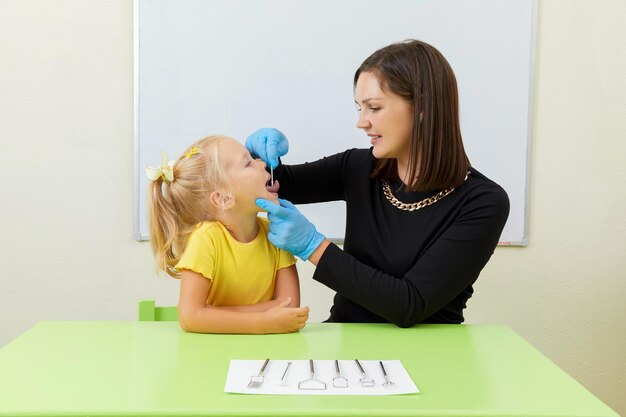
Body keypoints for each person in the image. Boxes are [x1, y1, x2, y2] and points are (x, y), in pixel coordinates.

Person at [246, 39, 510, 327]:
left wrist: (312, 246)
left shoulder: (482, 202)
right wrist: (254, 157)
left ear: (422, 106)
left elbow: (409, 304)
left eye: (374, 107)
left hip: (429, 355)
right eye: (359, 108)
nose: (362, 122)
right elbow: (271, 183)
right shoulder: (358, 167)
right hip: (347, 344)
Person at [146, 135, 309, 334]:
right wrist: (262, 321)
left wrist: (215, 314)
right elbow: (189, 317)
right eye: (248, 162)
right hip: (214, 355)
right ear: (223, 198)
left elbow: (290, 307)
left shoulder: (276, 234)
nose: (261, 163)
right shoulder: (205, 239)